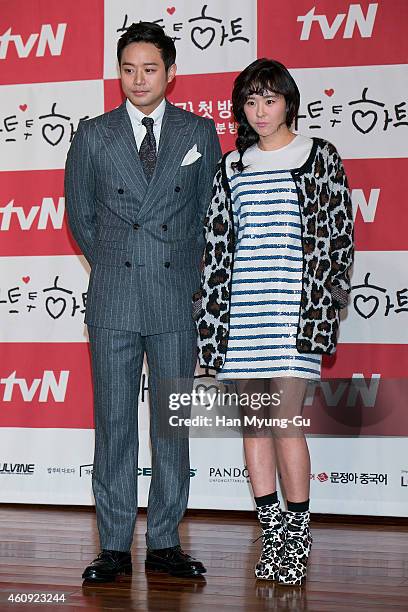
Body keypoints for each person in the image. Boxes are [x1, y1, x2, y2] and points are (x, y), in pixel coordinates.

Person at [65, 22, 221, 582]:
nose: (138, 79)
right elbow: (80, 218)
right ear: (119, 72)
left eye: (149, 69)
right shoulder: (93, 135)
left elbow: (210, 213)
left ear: (171, 72)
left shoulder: (199, 133)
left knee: (172, 425)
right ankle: (111, 547)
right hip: (114, 298)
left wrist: (180, 267)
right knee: (112, 424)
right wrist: (114, 260)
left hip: (176, 296)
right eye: (128, 69)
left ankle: (163, 544)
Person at [195, 58, 353, 585]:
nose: (261, 112)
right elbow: (218, 250)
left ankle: (298, 535)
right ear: (241, 109)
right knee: (255, 427)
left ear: (289, 102)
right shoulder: (232, 166)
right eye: (251, 102)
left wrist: (320, 312)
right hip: (242, 319)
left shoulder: (319, 157)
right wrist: (214, 322)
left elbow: (336, 242)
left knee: (286, 423)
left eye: (270, 100)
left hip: (293, 317)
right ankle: (273, 534)